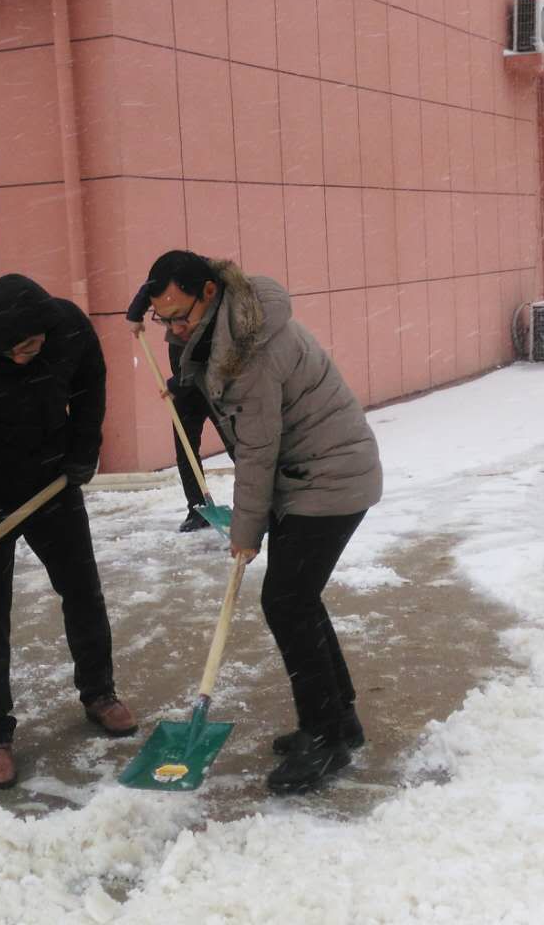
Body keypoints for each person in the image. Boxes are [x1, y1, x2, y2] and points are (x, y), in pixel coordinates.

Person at [142, 250, 382, 794]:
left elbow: (256, 450)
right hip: (310, 475)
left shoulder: (248, 350)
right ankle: (339, 720)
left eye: (180, 316)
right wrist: (148, 307)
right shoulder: (228, 314)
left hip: (330, 478)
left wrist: (244, 532)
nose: (175, 330)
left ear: (208, 293)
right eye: (165, 320)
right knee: (300, 596)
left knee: (286, 600)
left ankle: (325, 740)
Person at [0, 274, 135, 789]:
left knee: (82, 590)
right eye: (13, 350)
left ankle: (99, 692)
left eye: (32, 347)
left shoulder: (68, 328)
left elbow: (91, 388)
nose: (24, 356)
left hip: (50, 478)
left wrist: (83, 451)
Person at [126, 281, 226, 532]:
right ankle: (197, 508)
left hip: (212, 389)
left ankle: (260, 508)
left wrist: (177, 384)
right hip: (184, 392)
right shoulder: (172, 293)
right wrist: (134, 315)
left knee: (238, 447)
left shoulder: (207, 308)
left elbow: (204, 361)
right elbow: (149, 288)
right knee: (186, 451)